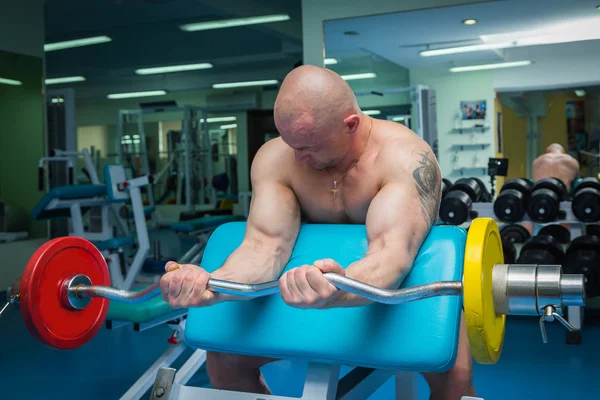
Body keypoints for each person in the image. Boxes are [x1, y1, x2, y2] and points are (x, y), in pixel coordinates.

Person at [160, 65, 474, 399]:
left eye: (310, 146)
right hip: (305, 293)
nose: (298, 157)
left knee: (455, 375)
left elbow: (390, 253)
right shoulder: (277, 158)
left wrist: (339, 287)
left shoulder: (403, 157)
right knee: (224, 361)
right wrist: (212, 284)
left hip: (396, 293)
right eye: (290, 143)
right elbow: (264, 246)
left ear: (350, 124)